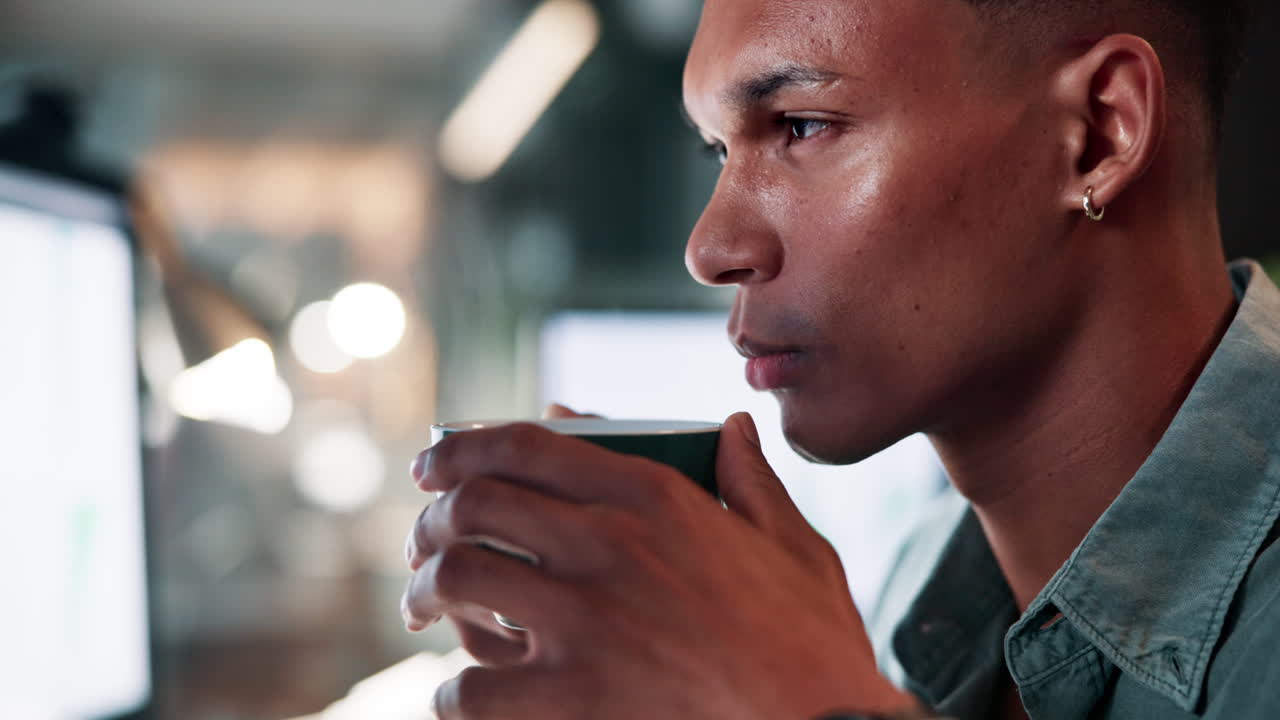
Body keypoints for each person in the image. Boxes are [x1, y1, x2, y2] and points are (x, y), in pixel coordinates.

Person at [401, 0, 1278, 717]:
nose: (710, 246)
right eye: (718, 149)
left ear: (1095, 131)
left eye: (802, 125)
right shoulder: (921, 588)